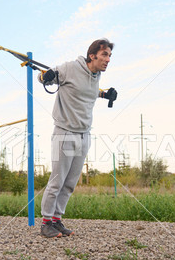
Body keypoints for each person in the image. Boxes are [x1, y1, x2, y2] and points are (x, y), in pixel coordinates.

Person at [38, 38, 117, 238]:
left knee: (70, 182)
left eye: (109, 55)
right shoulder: (70, 68)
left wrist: (105, 94)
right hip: (64, 132)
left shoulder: (95, 75)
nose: (108, 59)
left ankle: (56, 220)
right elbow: (44, 78)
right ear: (93, 56)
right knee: (57, 180)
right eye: (105, 55)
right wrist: (45, 76)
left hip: (84, 135)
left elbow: (86, 90)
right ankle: (46, 222)